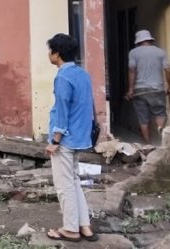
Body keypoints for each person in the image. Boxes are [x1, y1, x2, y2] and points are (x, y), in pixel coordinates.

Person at [44, 33, 98, 243]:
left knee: (64, 185)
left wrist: (55, 142)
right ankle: (84, 226)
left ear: (57, 54)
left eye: (50, 51)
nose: (49, 54)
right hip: (81, 136)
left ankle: (70, 229)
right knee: (74, 181)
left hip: (65, 139)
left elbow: (62, 112)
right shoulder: (83, 74)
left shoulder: (63, 77)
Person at [125, 30, 170, 144]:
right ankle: (160, 131)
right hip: (157, 89)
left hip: (139, 90)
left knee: (143, 118)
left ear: (138, 41)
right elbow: (168, 70)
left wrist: (131, 89)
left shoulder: (133, 52)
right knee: (160, 113)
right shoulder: (161, 52)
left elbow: (132, 70)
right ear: (150, 39)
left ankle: (148, 144)